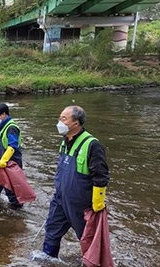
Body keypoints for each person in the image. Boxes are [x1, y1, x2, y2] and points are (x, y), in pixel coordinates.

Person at [42, 106, 110, 258]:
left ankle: (91, 261)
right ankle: (47, 258)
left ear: (76, 123)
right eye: (60, 118)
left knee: (87, 238)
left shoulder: (92, 144)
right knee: (52, 230)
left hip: (81, 203)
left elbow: (101, 175)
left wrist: (97, 204)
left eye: (64, 119)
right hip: (60, 199)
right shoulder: (64, 141)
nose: (60, 122)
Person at [0, 103, 23, 208]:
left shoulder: (11, 128)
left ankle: (16, 213)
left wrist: (3, 161)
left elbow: (12, 146)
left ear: (3, 114)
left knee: (12, 190)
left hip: (10, 165)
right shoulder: (1, 126)